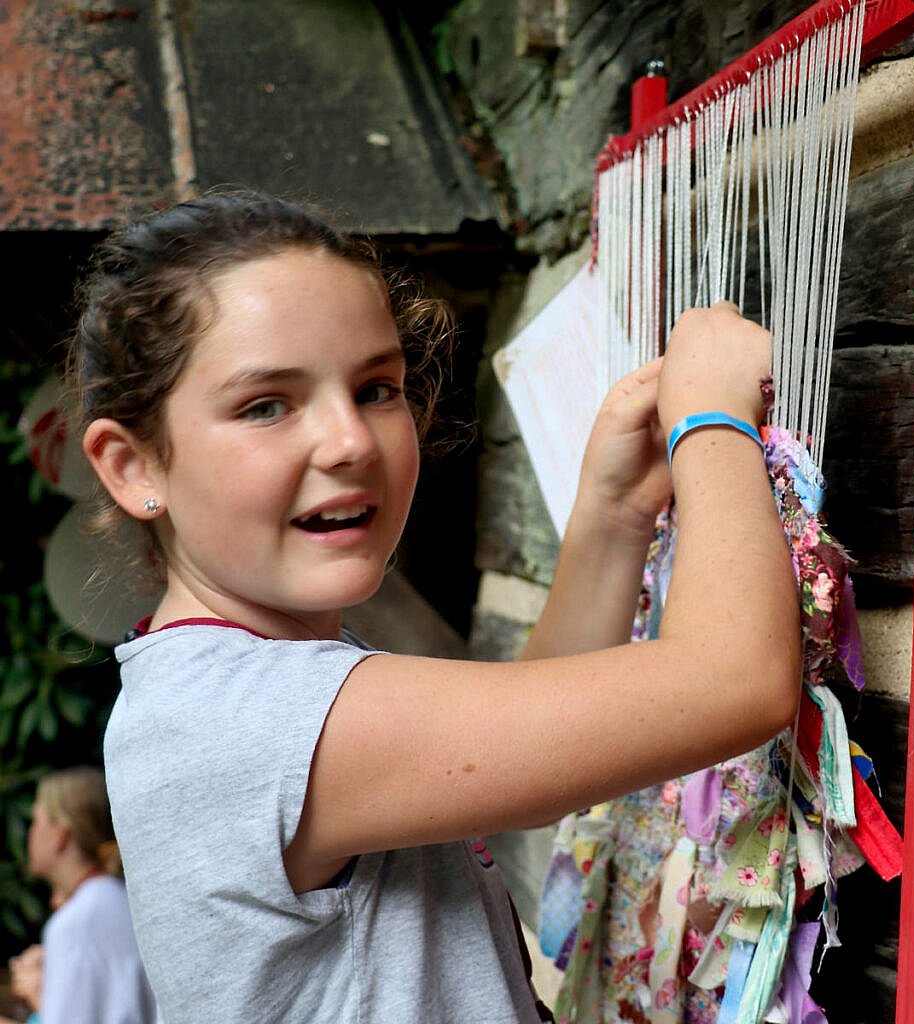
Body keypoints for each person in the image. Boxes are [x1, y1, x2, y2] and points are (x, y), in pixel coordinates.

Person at [68, 190, 800, 1022]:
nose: (349, 440)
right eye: (266, 405)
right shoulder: (242, 718)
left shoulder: (208, 694)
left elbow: (535, 763)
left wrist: (615, 513)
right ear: (133, 468)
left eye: (377, 387)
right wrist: (712, 419)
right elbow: (736, 681)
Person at [0, 767, 155, 1024]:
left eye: (37, 821)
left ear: (60, 835)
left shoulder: (79, 922)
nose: (30, 833)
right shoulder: (118, 898)